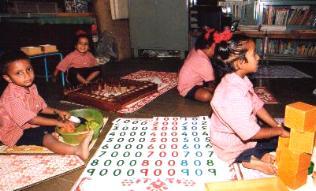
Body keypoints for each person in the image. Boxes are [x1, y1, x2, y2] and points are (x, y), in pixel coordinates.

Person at [210, 34, 290, 175]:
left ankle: (257, 155)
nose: (258, 57)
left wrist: (276, 126)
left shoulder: (240, 79)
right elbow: (250, 134)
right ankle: (250, 159)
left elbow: (256, 105)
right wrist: (278, 132)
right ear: (240, 63)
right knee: (277, 138)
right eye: (254, 54)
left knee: (283, 135)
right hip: (232, 147)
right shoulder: (231, 96)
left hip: (244, 132)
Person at [0, 50, 93, 160]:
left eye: (28, 69)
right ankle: (77, 150)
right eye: (19, 73)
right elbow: (32, 120)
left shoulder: (31, 86)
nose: (27, 76)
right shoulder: (11, 98)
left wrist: (57, 112)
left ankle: (59, 135)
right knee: (46, 136)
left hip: (30, 124)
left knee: (61, 122)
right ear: (8, 78)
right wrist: (57, 122)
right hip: (16, 133)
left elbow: (42, 107)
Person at [177, 27, 232, 102]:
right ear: (209, 47)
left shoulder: (196, 49)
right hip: (188, 87)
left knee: (216, 87)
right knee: (207, 96)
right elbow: (212, 83)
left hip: (195, 82)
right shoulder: (203, 62)